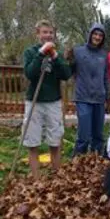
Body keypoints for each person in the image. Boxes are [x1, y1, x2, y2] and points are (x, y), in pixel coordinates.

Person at [22, 19, 72, 179]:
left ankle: (56, 178)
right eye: (45, 32)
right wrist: (41, 53)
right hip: (34, 102)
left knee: (55, 140)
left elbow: (66, 74)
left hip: (53, 102)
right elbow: (30, 73)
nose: (48, 35)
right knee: (32, 141)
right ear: (38, 34)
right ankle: (37, 180)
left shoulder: (57, 53)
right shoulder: (30, 52)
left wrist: (56, 57)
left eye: (50, 32)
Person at [68, 23, 109, 156]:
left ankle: (96, 161)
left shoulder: (104, 55)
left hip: (99, 98)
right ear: (90, 35)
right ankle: (78, 161)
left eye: (100, 35)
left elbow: (106, 77)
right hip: (83, 97)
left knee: (98, 134)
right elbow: (69, 71)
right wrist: (69, 59)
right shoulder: (78, 52)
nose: (97, 37)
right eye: (95, 34)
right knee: (84, 134)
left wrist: (108, 96)